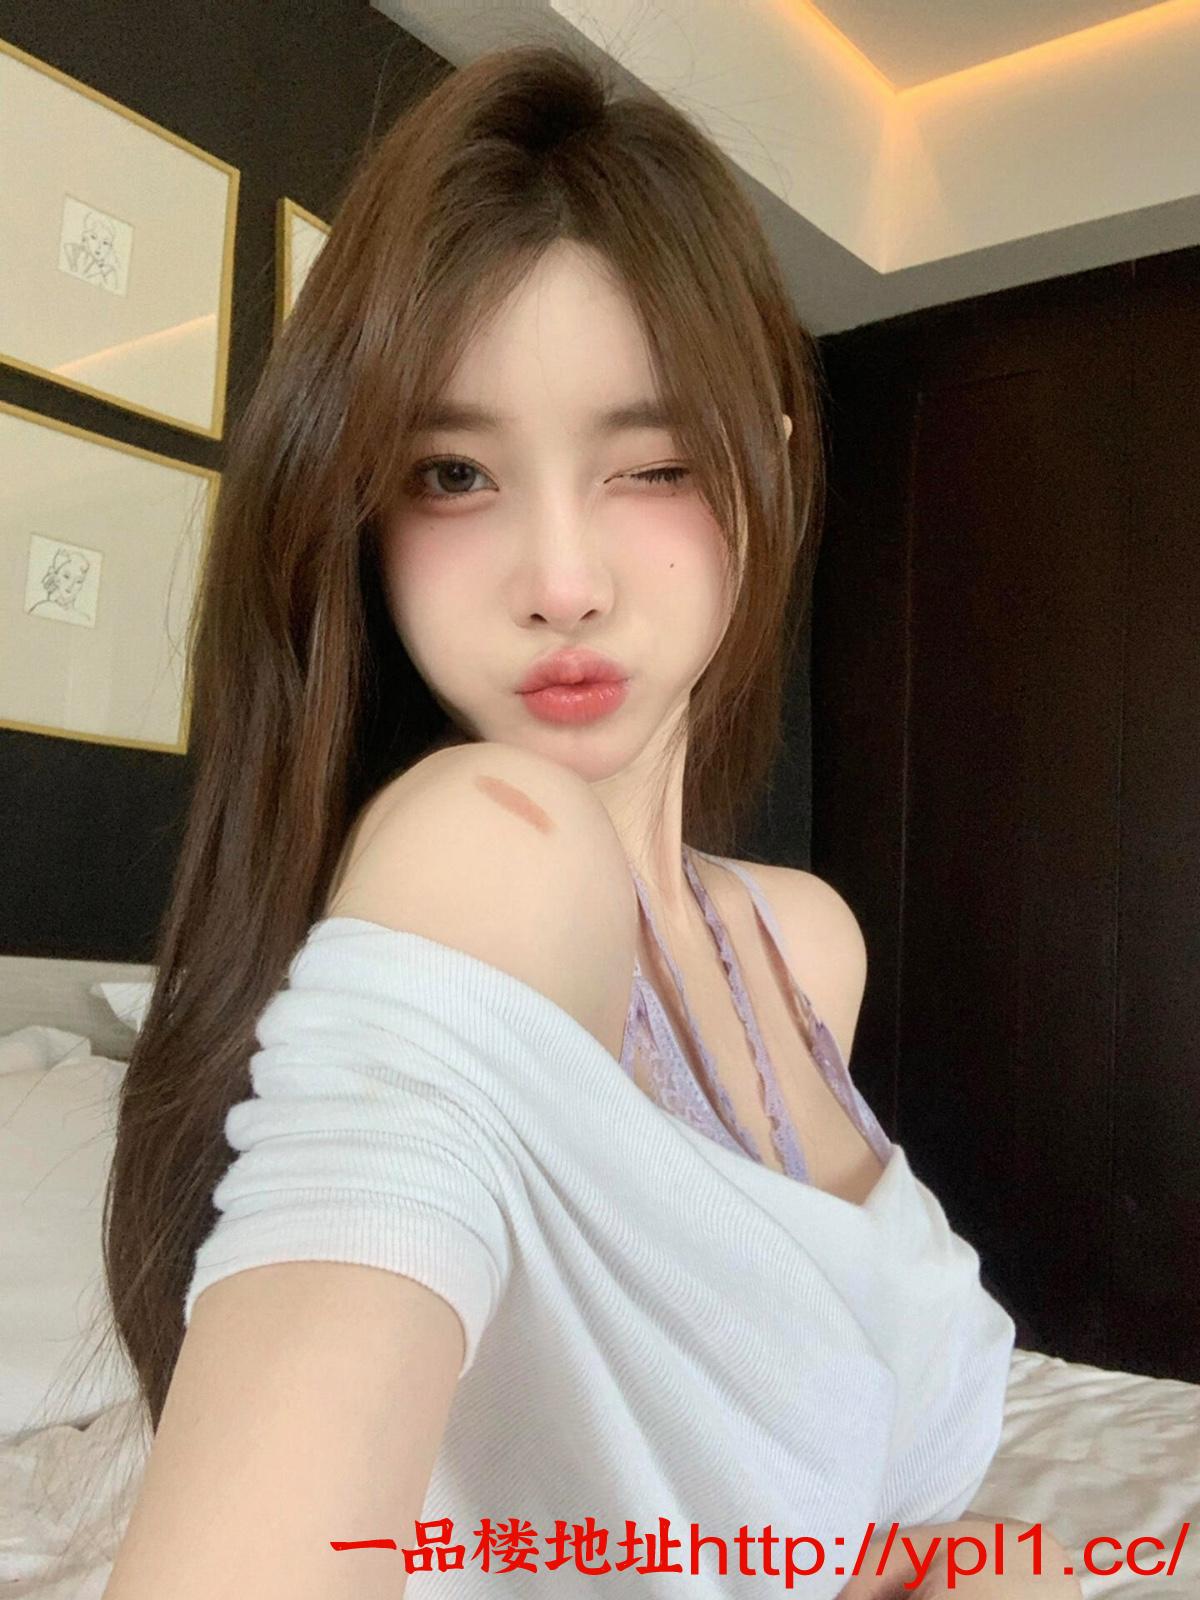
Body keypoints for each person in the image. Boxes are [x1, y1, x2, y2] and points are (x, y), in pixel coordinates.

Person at [95, 39, 1082, 1600]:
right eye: (451, 472)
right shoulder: (480, 850)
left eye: (655, 464)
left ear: (765, 474)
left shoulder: (801, 941)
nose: (562, 578)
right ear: (359, 509)